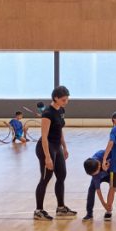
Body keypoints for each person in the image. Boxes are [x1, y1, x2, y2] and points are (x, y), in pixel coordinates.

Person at [35, 85, 75, 220]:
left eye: (67, 99)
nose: (66, 101)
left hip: (57, 147)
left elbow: (59, 130)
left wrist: (64, 147)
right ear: (55, 98)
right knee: (45, 179)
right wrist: (47, 157)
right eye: (63, 99)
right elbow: (44, 137)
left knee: (62, 175)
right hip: (46, 148)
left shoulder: (61, 110)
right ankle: (38, 210)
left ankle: (61, 208)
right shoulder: (47, 113)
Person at [82, 152, 116, 221]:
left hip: (111, 172)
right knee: (91, 189)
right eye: (92, 175)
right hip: (102, 174)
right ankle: (89, 214)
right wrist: (104, 204)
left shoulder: (104, 154)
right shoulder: (94, 174)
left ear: (98, 166)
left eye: (94, 173)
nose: (93, 175)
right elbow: (98, 190)